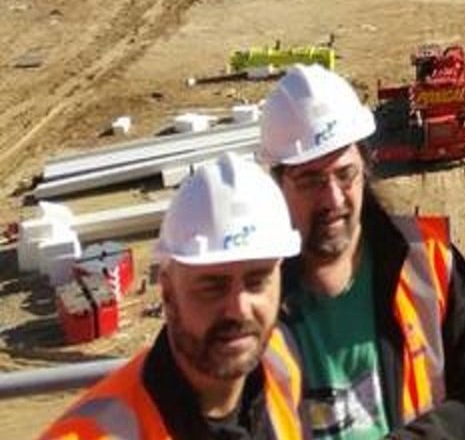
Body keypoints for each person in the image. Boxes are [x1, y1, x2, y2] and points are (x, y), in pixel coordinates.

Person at [256, 65, 465, 440]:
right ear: (279, 185)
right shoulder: (248, 296)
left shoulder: (426, 265)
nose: (332, 198)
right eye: (310, 180)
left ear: (366, 166)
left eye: (345, 175)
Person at [43, 154, 306, 440]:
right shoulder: (94, 433)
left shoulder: (280, 361)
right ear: (168, 292)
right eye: (213, 286)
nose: (239, 309)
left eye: (257, 281)